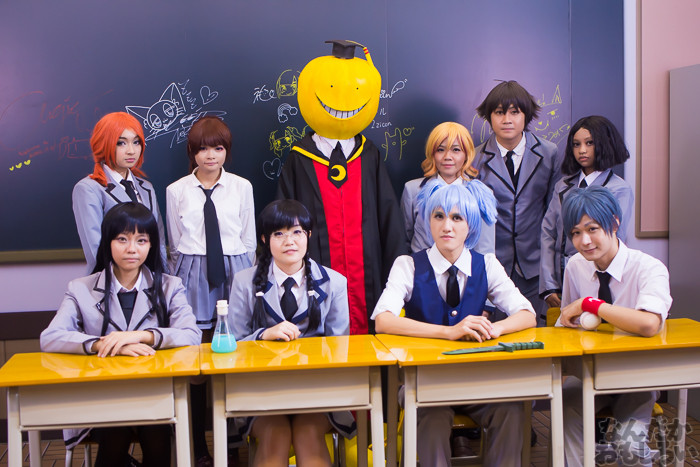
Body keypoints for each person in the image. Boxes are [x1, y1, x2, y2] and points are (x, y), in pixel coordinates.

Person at [372, 180, 537, 467]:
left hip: (476, 380)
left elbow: (527, 314)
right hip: (423, 381)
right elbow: (383, 320)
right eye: (439, 216)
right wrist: (449, 332)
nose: (447, 226)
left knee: (510, 409)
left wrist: (494, 329)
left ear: (470, 225)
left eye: (457, 217)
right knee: (431, 415)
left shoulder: (486, 264)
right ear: (429, 222)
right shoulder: (408, 265)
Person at [41, 202, 201, 467]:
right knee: (117, 424)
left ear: (151, 245)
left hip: (153, 392)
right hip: (99, 396)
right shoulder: (80, 288)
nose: (132, 249)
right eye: (122, 239)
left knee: (156, 427)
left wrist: (140, 336)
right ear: (108, 242)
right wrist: (105, 344)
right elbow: (50, 337)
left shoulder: (170, 286)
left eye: (141, 240)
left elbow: (191, 334)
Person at [277, 39, 406, 335]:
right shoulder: (299, 158)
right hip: (314, 270)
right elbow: (282, 223)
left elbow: (389, 218)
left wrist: (398, 275)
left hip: (368, 274)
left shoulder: (369, 155)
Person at [228, 199, 354, 466]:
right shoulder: (244, 282)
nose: (289, 241)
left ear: (308, 235)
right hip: (261, 393)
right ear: (265, 239)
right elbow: (233, 344)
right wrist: (262, 335)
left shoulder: (334, 282)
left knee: (308, 435)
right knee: (276, 435)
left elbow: (339, 347)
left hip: (317, 392)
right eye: (279, 234)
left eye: (297, 232)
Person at [557, 186, 672, 467]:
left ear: (615, 222)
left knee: (628, 445)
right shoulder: (575, 266)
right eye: (575, 233)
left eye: (592, 229)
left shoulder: (649, 268)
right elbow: (566, 323)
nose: (584, 241)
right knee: (563, 416)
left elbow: (649, 324)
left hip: (637, 376)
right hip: (588, 373)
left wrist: (591, 304)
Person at [165, 115, 255, 466]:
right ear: (192, 152)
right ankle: (198, 446)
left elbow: (249, 238)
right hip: (193, 274)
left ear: (226, 151)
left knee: (232, 358)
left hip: (235, 272)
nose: (211, 156)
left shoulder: (241, 187)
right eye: (203, 149)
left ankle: (231, 444)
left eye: (218, 148)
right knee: (196, 364)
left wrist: (246, 280)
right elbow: (174, 245)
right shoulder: (176, 190)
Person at [473, 80, 561, 324]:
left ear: (526, 115)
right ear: (489, 117)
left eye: (514, 112)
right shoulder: (474, 158)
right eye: (499, 112)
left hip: (535, 266)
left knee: (535, 334)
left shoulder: (549, 153)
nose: (507, 120)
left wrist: (551, 275)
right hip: (492, 266)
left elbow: (554, 215)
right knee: (493, 335)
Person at [540, 116, 633, 309]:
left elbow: (615, 239)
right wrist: (548, 286)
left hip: (596, 278)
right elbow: (548, 234)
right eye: (576, 144)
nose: (582, 150)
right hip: (559, 280)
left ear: (604, 144)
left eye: (589, 143)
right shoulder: (562, 186)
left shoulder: (618, 189)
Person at [73, 112, 167, 274]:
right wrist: (121, 283)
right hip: (113, 281)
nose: (131, 151)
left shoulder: (146, 187)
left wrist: (163, 277)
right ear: (104, 144)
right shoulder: (89, 189)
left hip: (152, 279)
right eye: (121, 143)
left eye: (136, 142)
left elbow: (159, 241)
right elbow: (95, 249)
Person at [401, 122, 494, 255]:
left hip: (466, 268)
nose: (447, 157)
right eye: (440, 150)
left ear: (466, 154)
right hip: (422, 266)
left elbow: (485, 250)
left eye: (456, 150)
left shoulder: (481, 194)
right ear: (432, 153)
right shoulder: (413, 190)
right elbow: (404, 240)